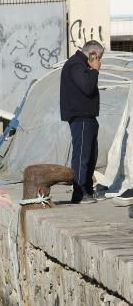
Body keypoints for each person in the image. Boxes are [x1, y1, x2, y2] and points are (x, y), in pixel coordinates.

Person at [60, 40, 104, 204]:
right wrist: (94, 71)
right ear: (93, 54)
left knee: (91, 155)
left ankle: (87, 189)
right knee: (82, 156)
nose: (100, 62)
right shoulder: (76, 65)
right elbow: (87, 87)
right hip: (81, 117)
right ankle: (79, 193)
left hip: (88, 117)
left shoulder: (80, 65)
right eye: (99, 57)